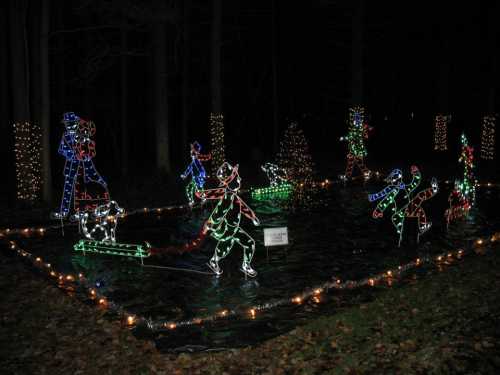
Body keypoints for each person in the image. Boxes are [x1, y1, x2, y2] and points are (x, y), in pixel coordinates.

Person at [197, 162, 260, 277]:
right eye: (237, 177)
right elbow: (219, 209)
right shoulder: (227, 196)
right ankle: (215, 261)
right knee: (228, 243)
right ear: (231, 182)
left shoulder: (233, 196)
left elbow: (243, 207)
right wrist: (211, 225)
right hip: (225, 229)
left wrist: (252, 217)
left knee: (248, 243)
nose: (240, 179)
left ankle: (244, 265)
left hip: (233, 229)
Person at [52, 112, 108, 219]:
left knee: (85, 187)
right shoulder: (65, 136)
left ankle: (86, 210)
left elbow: (89, 149)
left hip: (84, 166)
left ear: (76, 123)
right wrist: (71, 154)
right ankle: (64, 212)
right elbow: (61, 149)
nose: (70, 126)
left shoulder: (82, 134)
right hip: (71, 166)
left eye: (72, 124)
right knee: (68, 188)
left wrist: (84, 154)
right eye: (68, 124)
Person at [180, 141, 211, 206]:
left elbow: (202, 167)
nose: (191, 154)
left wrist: (203, 175)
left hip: (198, 178)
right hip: (194, 178)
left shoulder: (197, 160)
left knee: (199, 188)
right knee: (189, 189)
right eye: (191, 152)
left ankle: (204, 199)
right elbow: (189, 168)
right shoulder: (193, 162)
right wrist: (184, 175)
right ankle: (192, 201)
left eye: (192, 152)